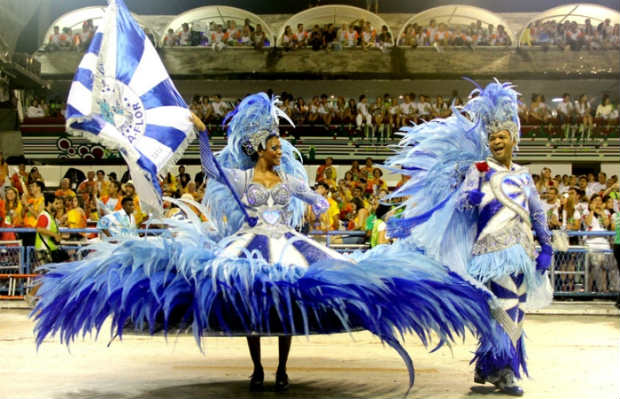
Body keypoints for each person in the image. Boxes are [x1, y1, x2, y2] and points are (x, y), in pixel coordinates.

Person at [33, 93, 501, 394]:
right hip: (249, 245)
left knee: (287, 309)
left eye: (280, 145)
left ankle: (279, 370)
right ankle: (259, 368)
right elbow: (212, 170)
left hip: (289, 245)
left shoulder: (288, 178)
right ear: (259, 146)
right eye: (275, 144)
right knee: (256, 306)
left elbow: (311, 196)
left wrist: (318, 201)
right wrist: (201, 134)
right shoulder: (239, 176)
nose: (281, 149)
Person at [386, 80, 553, 396]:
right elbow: (462, 201)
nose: (495, 142)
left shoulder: (523, 174)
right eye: (491, 137)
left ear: (514, 139)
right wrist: (473, 196)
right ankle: (504, 371)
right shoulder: (480, 169)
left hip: (523, 254)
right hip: (491, 254)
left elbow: (537, 211)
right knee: (505, 309)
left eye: (501, 136)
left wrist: (546, 245)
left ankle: (490, 366)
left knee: (515, 310)